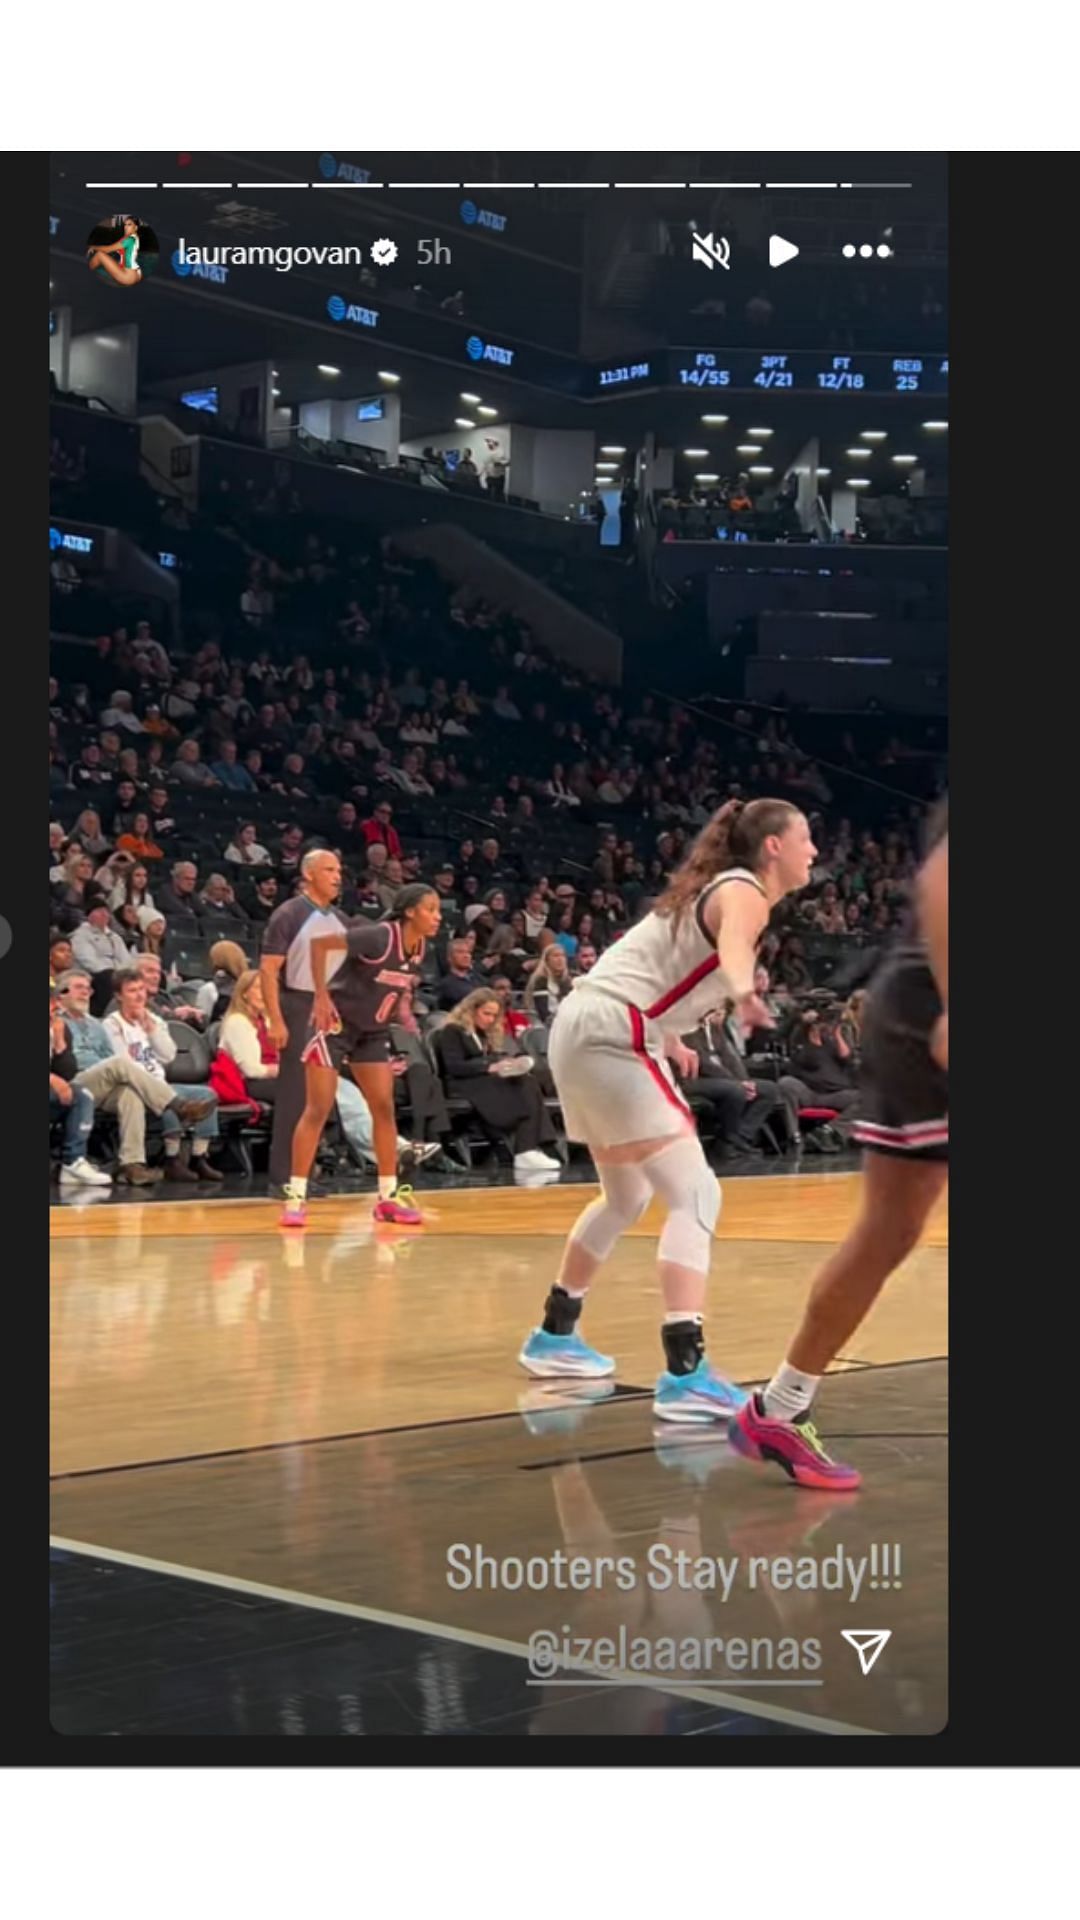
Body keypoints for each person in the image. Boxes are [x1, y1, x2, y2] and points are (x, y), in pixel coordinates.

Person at [517, 798, 816, 1421]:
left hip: (589, 1026)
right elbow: (733, 947)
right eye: (805, 838)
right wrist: (743, 993)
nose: (813, 851)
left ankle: (555, 1335)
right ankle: (686, 1374)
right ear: (772, 848)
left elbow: (655, 968)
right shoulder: (745, 891)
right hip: (613, 1032)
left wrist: (674, 1034)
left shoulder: (715, 887)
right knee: (697, 1195)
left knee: (625, 1197)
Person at [732, 811, 948, 1490]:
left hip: (908, 1007)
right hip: (925, 1011)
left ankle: (779, 1407)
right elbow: (944, 877)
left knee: (889, 1231)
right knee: (888, 1229)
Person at [280, 884, 444, 1228]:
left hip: (372, 1032)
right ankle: (295, 1199)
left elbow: (387, 986)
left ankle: (387, 1198)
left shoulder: (419, 949)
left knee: (383, 1108)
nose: (438, 916)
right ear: (410, 911)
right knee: (318, 1108)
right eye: (431, 909)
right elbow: (320, 944)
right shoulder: (379, 937)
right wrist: (321, 996)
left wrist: (400, 1013)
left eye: (439, 910)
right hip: (336, 1026)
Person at [56, 969, 214, 1186]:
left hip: (104, 1082)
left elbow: (114, 1056)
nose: (85, 993)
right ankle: (177, 1105)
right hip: (75, 1082)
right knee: (121, 1063)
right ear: (61, 993)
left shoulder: (94, 1024)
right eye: (78, 988)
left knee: (130, 1094)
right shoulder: (56, 1021)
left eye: (88, 988)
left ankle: (132, 1165)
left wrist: (150, 1029)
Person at [259, 849, 352, 1194]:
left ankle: (304, 1173)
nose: (337, 876)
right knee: (295, 1094)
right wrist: (275, 1020)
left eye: (339, 870)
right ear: (309, 873)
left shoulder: (340, 918)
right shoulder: (289, 914)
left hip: (329, 1006)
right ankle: (283, 1178)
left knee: (321, 1097)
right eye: (329, 869)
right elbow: (268, 970)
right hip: (298, 1003)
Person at [104, 970, 224, 1183]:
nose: (139, 995)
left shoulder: (155, 1020)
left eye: (141, 989)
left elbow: (168, 1055)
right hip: (132, 1086)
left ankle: (199, 1156)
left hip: (160, 1082)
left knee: (207, 1094)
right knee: (165, 1095)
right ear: (119, 996)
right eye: (132, 991)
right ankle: (172, 1158)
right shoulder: (112, 1024)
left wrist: (151, 1030)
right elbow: (122, 1063)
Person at [438, 990, 561, 1173]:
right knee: (524, 1089)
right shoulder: (452, 1031)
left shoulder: (482, 1034)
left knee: (528, 1082)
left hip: (482, 1080)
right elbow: (454, 1066)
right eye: (486, 1013)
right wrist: (489, 1066)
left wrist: (506, 1064)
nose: (490, 1019)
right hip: (462, 1083)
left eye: (494, 1015)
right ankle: (527, 1149)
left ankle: (527, 1149)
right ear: (471, 1010)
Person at [50, 993, 112, 1187]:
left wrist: (60, 1044)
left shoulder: (59, 1027)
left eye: (53, 1001)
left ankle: (72, 1162)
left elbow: (68, 1073)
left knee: (81, 1095)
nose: (53, 1006)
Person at [523, 943, 575, 1025]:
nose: (560, 959)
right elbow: (543, 1011)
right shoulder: (540, 980)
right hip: (546, 1023)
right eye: (555, 956)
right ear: (547, 960)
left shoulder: (568, 980)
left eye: (563, 956)